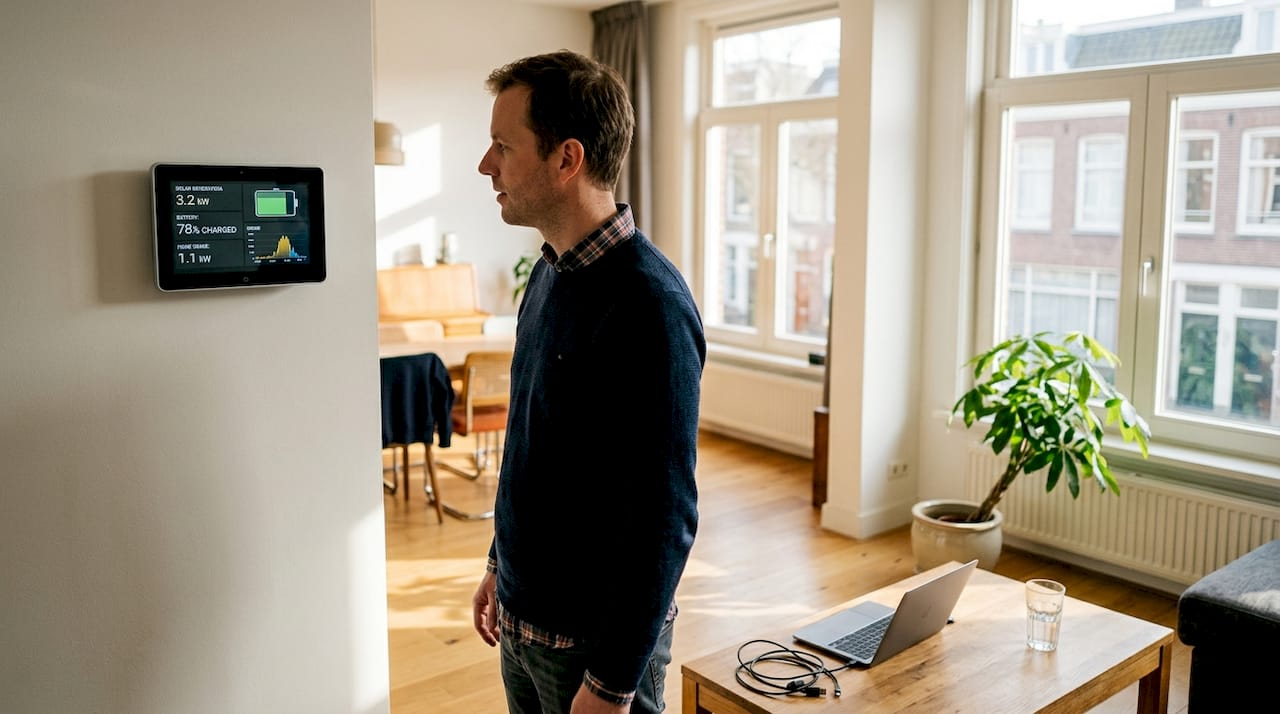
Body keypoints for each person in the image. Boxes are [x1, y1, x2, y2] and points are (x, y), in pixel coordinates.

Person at [470, 50, 705, 714]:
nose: (487, 166)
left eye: (502, 146)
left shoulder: (648, 304)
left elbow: (665, 516)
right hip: (524, 624)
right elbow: (531, 449)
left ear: (566, 159)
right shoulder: (546, 275)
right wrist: (498, 564)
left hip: (591, 652)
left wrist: (612, 683)